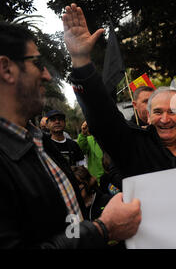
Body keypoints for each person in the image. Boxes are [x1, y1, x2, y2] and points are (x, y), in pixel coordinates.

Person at [0, 21, 141, 248]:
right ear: (6, 69)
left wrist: (81, 60)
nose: (46, 75)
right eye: (37, 63)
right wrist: (102, 228)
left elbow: (68, 223)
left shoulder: (40, 142)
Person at [63, 3, 176, 178]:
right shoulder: (133, 145)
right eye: (158, 111)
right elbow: (102, 116)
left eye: (173, 111)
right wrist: (81, 61)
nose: (165, 119)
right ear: (148, 116)